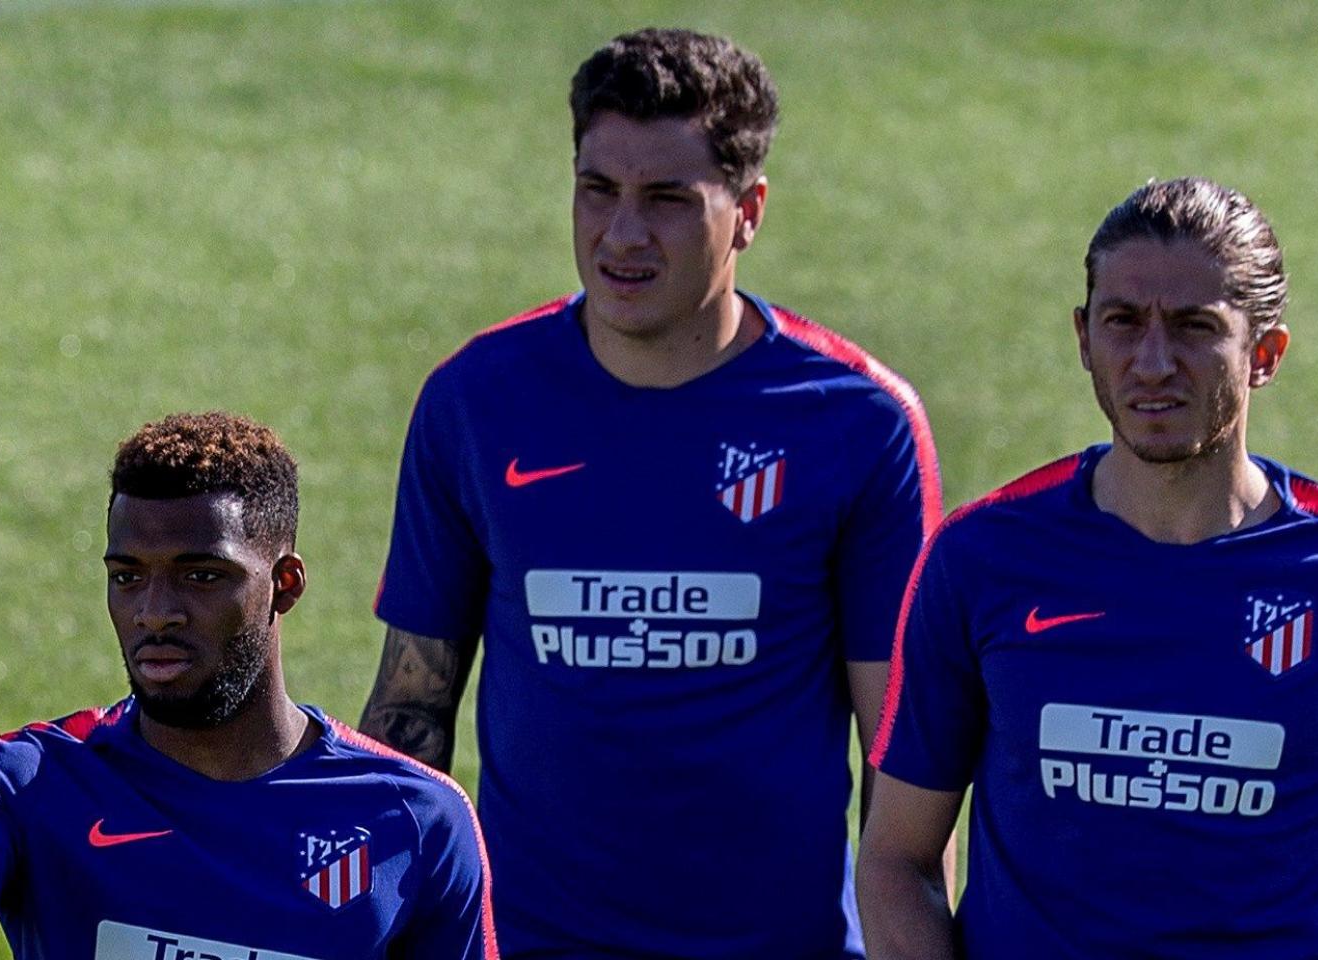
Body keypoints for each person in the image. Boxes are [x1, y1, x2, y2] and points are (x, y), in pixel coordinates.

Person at [359, 28, 941, 959]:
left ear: (748, 211)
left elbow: (905, 762)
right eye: (599, 190)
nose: (622, 234)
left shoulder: (857, 425)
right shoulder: (477, 402)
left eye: (667, 199)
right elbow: (410, 711)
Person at [856, 177, 1318, 958]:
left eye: (1194, 327)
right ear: (1084, 337)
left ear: (1266, 353)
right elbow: (895, 859)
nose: (1153, 362)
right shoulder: (981, 557)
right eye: (1124, 322)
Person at [0, 412, 498, 960]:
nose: (154, 610)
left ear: (282, 586)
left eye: (201, 575)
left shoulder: (416, 820)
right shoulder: (32, 781)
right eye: (127, 575)